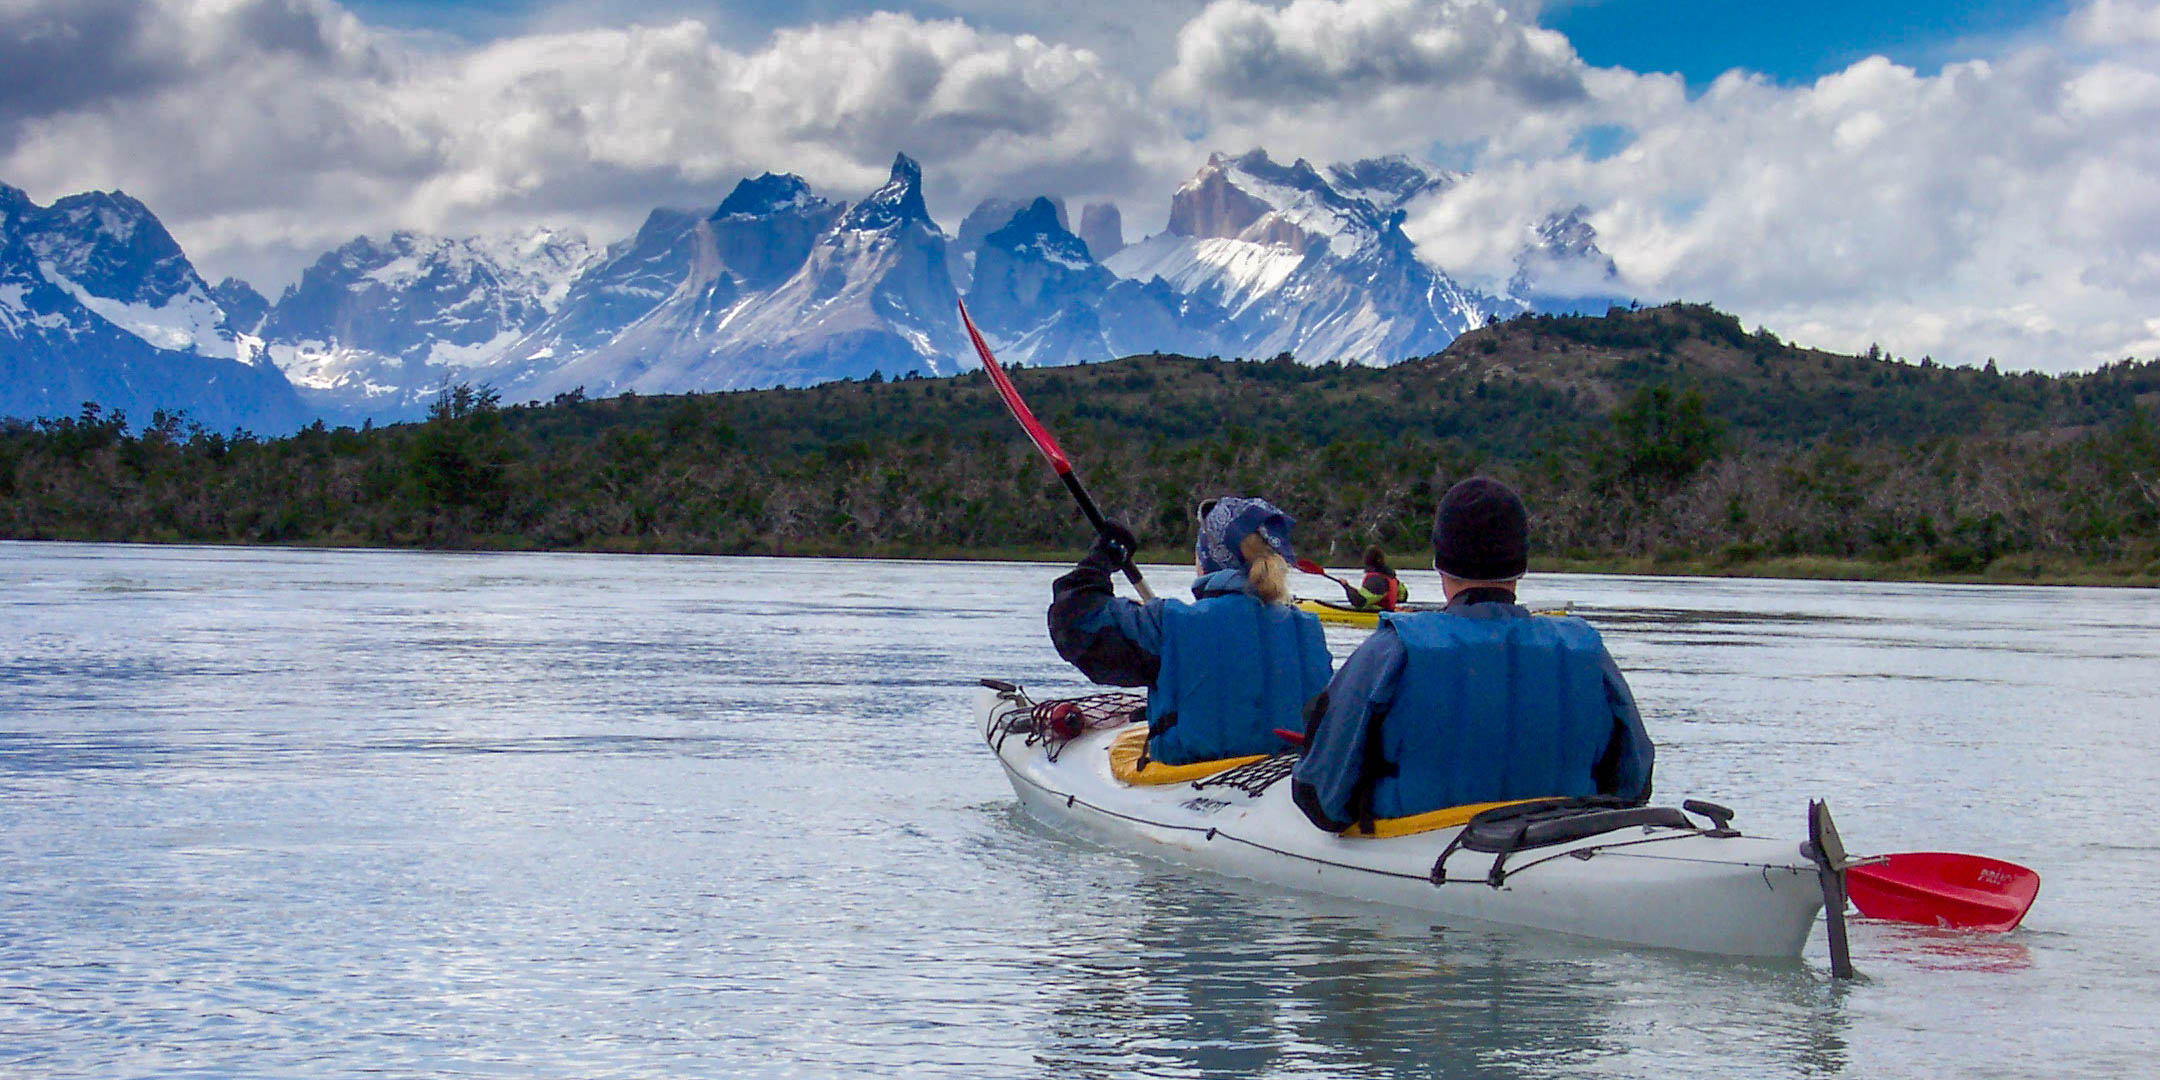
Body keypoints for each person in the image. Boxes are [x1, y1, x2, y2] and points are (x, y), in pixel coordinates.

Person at [1290, 478, 1653, 832]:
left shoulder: (1392, 650)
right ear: (1521, 565)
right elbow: (1634, 786)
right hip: (1562, 843)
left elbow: (1322, 800)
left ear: (1440, 562)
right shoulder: (1586, 649)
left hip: (1412, 846)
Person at [1049, 497, 1334, 766]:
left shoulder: (1170, 623)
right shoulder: (1308, 628)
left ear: (1207, 559)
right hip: (1284, 778)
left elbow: (1074, 623)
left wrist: (1098, 562)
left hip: (1193, 777)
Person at [1341, 546, 1410, 611]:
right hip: (1386, 612)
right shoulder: (1391, 577)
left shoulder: (1376, 581)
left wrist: (1346, 586)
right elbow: (1403, 597)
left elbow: (1360, 601)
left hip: (1378, 614)